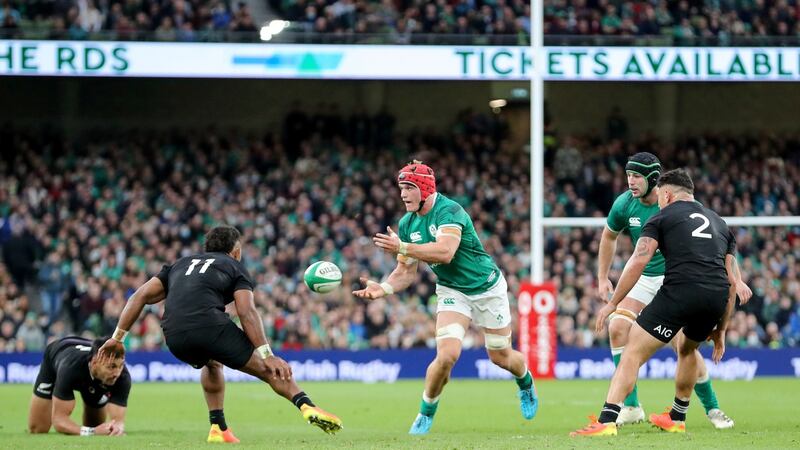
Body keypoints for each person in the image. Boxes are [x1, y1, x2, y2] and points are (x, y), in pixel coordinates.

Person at [99, 225, 342, 443]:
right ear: (235, 251)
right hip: (210, 328)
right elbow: (246, 311)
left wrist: (117, 338)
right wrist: (267, 354)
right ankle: (307, 406)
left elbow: (138, 296)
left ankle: (218, 427)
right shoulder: (234, 266)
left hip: (174, 336)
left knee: (212, 363)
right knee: (269, 369)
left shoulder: (180, 264)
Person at [353, 160, 538, 435]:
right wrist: (384, 288)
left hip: (488, 288)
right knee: (448, 355)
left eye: (409, 188)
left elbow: (445, 252)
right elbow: (405, 272)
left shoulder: (450, 211)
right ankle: (426, 411)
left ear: (425, 189)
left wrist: (402, 246)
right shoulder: (407, 223)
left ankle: (525, 383)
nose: (403, 194)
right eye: (401, 188)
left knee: (500, 357)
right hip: (452, 291)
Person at [573, 168, 739, 437]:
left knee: (633, 351)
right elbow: (732, 282)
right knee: (686, 349)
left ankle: (606, 420)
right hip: (716, 296)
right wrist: (720, 331)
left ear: (667, 194)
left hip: (681, 290)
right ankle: (677, 416)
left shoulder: (662, 217)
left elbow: (639, 260)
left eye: (661, 197)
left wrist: (613, 302)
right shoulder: (719, 223)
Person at [28, 336, 129, 436]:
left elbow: (118, 422)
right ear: (94, 363)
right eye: (111, 367)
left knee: (95, 425)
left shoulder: (122, 376)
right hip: (58, 352)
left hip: (91, 369)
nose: (117, 373)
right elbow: (59, 420)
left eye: (120, 366)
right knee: (38, 429)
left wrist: (117, 429)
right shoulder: (69, 369)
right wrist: (91, 432)